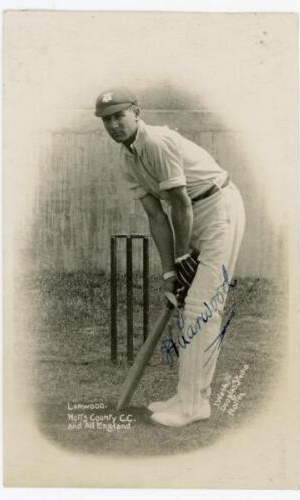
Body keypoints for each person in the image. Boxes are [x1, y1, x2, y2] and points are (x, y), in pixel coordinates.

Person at [95, 87, 246, 427]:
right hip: (192, 214)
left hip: (217, 207)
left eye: (120, 115)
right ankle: (188, 396)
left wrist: (182, 260)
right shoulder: (127, 160)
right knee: (190, 307)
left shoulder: (157, 141)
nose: (114, 125)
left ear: (137, 112)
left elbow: (179, 202)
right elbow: (157, 217)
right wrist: (169, 273)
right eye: (107, 120)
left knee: (202, 308)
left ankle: (193, 406)